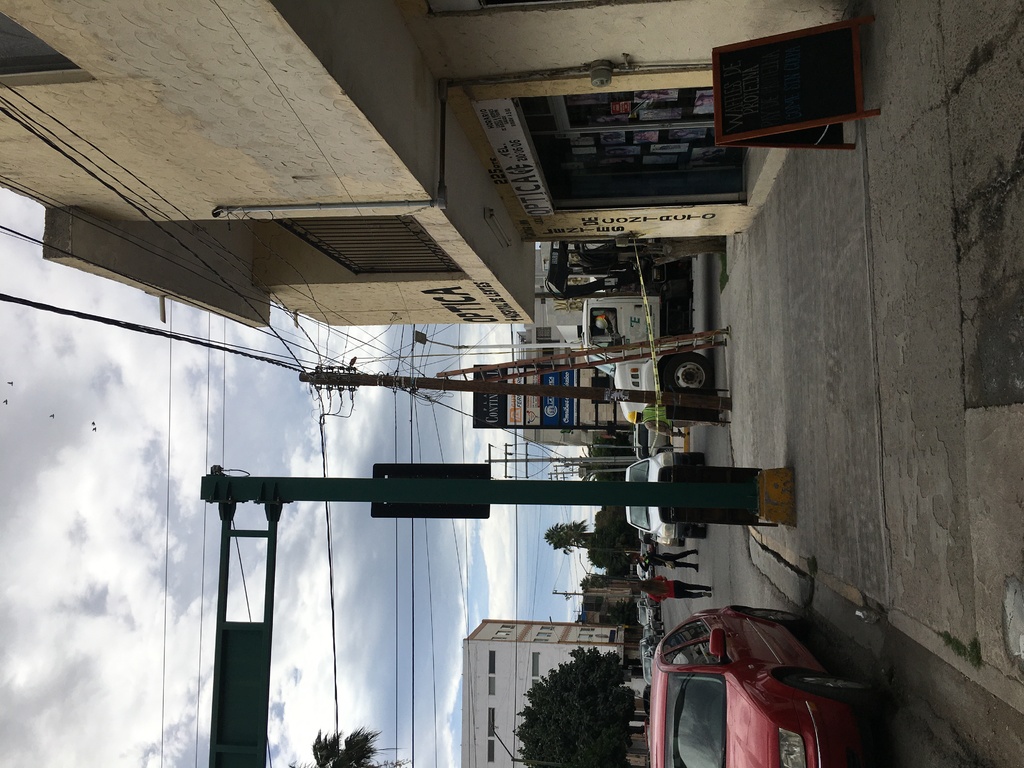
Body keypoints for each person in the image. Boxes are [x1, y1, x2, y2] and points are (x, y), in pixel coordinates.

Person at [639, 574, 712, 602]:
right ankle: (707, 588)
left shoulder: (651, 594)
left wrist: (665, 595)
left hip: (674, 593)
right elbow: (663, 577)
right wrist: (665, 581)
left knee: (690, 595)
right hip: (674, 584)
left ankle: (702, 594)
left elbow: (661, 599)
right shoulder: (652, 581)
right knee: (691, 586)